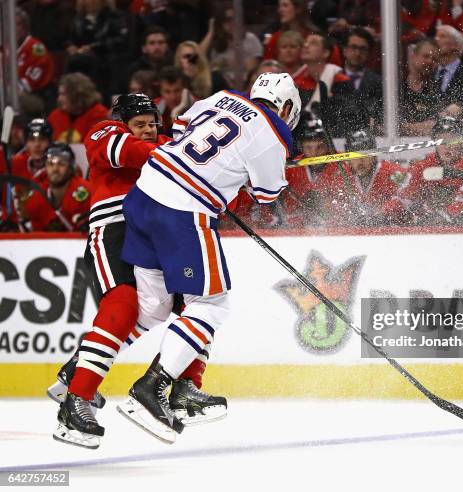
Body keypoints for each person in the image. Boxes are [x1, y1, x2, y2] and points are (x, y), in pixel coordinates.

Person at [115, 73, 301, 443]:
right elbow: (266, 195)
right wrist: (270, 175)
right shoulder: (275, 133)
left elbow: (182, 128)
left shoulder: (221, 98)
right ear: (285, 105)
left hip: (144, 192)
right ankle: (151, 389)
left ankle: (85, 367)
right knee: (211, 304)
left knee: (152, 305)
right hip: (181, 210)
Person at [51, 94, 227, 449]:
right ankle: (77, 400)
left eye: (152, 124)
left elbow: (214, 185)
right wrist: (180, 158)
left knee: (196, 305)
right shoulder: (104, 130)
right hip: (114, 228)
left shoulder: (170, 147)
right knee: (122, 306)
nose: (148, 130)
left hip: (160, 232)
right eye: (140, 124)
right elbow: (126, 151)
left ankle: (185, 387)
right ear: (124, 122)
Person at [387, 116, 463, 225]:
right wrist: (389, 212)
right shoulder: (423, 163)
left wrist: (434, 218)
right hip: (431, 222)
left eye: (452, 140)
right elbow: (404, 197)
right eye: (441, 140)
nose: (446, 146)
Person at [315, 129, 408, 226]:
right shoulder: (340, 176)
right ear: (348, 158)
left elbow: (405, 197)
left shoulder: (392, 172)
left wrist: (382, 213)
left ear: (374, 156)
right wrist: (345, 217)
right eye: (355, 155)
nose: (360, 160)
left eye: (365, 154)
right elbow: (331, 206)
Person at [293, 33, 353, 135]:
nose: (306, 45)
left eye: (313, 43)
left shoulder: (340, 81)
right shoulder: (298, 83)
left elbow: (349, 115)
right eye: (305, 42)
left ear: (325, 53)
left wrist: (331, 102)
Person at [22, 143, 91, 232]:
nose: (55, 169)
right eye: (50, 164)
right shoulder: (36, 195)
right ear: (45, 167)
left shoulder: (88, 191)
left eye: (61, 164)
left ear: (71, 167)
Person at [341, 27, 383, 130]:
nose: (357, 53)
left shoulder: (379, 82)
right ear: (344, 50)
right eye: (353, 47)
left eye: (362, 49)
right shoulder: (332, 78)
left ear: (369, 53)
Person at [48, 73, 109, 143]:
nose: (59, 99)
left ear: (77, 95)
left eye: (63, 94)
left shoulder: (99, 114)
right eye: (59, 94)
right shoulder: (55, 116)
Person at [15, 8, 55, 97]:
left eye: (18, 24)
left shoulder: (37, 48)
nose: (13, 28)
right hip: (14, 93)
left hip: (37, 95)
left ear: (25, 28)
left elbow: (29, 85)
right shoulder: (7, 49)